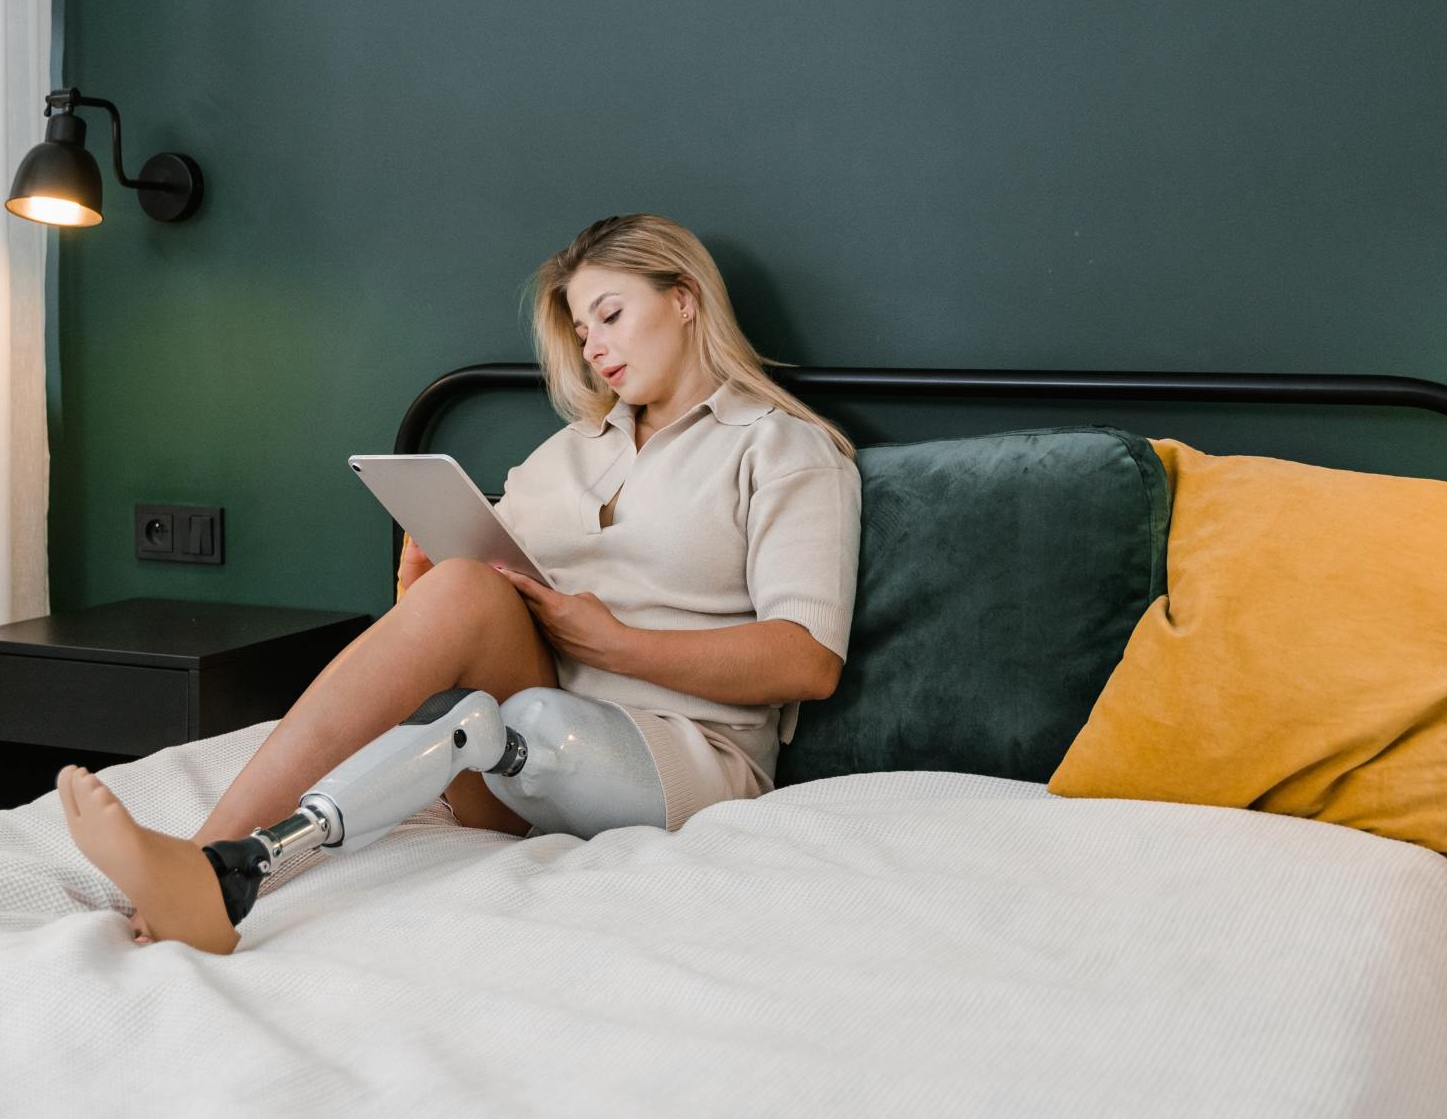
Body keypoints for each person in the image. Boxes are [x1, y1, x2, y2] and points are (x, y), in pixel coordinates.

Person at [55, 213, 864, 953]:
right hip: (520, 740)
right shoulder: (567, 452)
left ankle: (225, 871)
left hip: (679, 756)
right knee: (469, 603)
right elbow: (483, 595)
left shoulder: (781, 447)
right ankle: (208, 862)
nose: (596, 349)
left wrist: (619, 644)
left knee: (524, 716)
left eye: (611, 315)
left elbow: (809, 659)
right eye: (582, 332)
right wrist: (426, 595)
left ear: (685, 298)